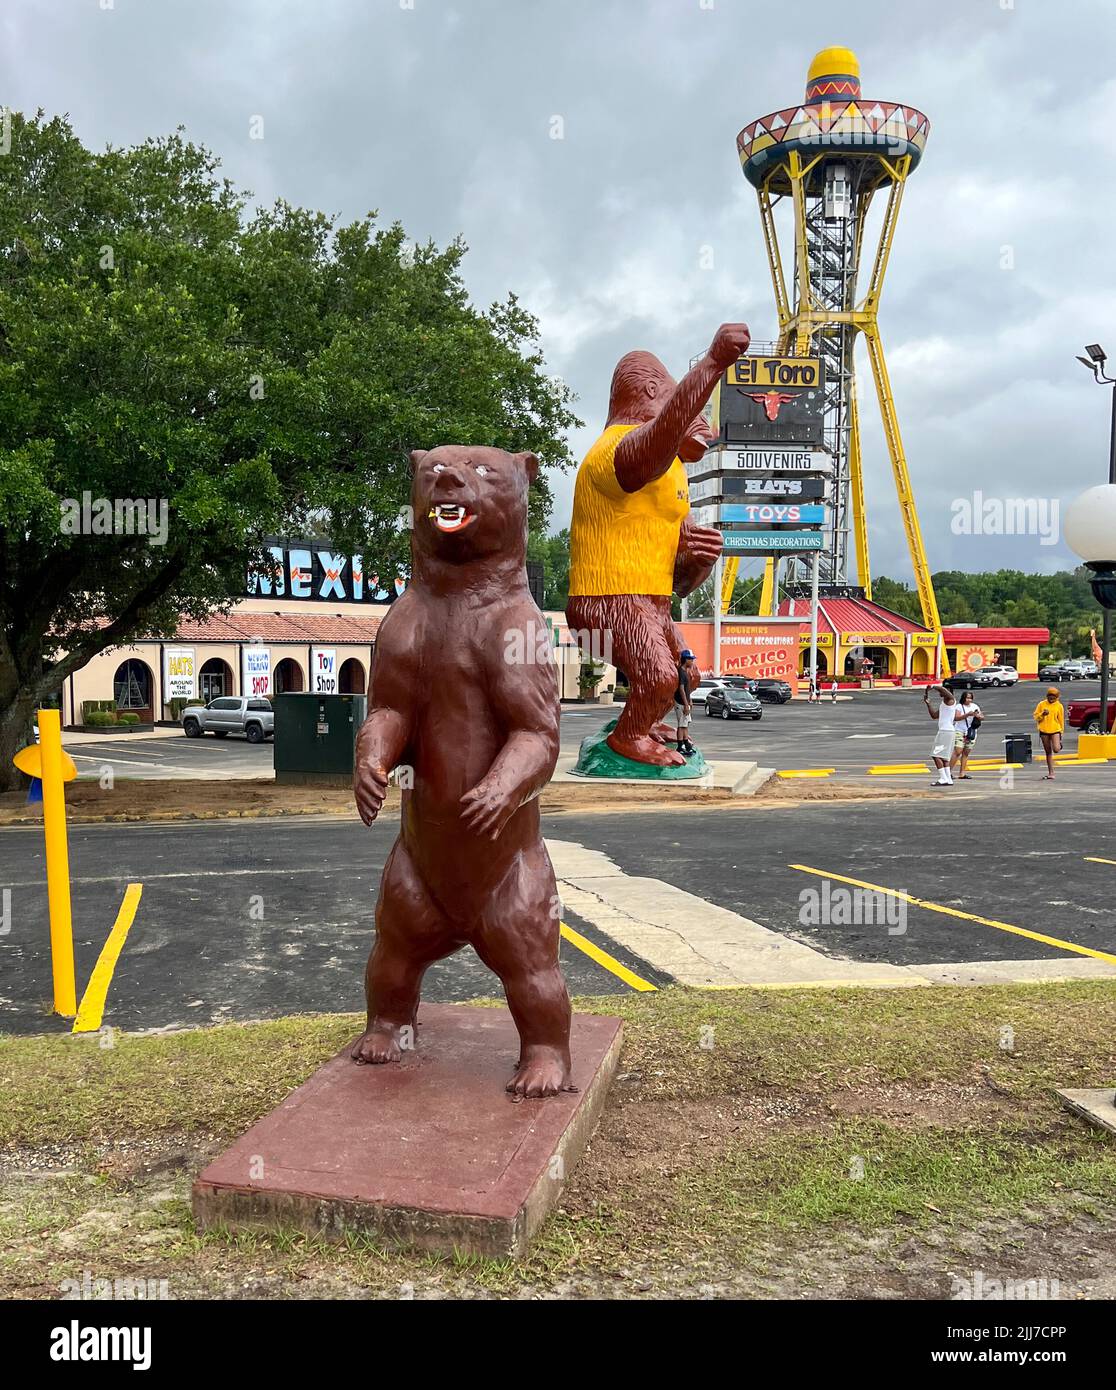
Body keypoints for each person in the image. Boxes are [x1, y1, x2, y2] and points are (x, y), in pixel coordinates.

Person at [924, 683, 958, 786]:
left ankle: (943, 778)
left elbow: (942, 690)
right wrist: (928, 704)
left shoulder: (951, 699)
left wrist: (933, 686)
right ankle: (948, 779)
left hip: (945, 731)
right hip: (946, 731)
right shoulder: (944, 704)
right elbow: (934, 716)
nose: (941, 692)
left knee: (936, 755)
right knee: (944, 758)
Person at [1034, 686, 1065, 780]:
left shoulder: (1059, 706)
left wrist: (1061, 732)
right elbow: (1036, 717)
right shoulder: (1041, 704)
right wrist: (1042, 714)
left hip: (1055, 730)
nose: (1051, 699)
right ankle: (1051, 773)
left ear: (1057, 697)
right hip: (1044, 730)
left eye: (1054, 698)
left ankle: (1059, 744)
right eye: (1050, 697)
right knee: (1048, 752)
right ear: (1047, 696)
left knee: (1056, 749)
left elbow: (1061, 720)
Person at [950, 689, 982, 780]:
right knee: (958, 751)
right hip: (960, 731)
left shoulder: (975, 706)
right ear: (963, 698)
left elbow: (982, 716)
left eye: (970, 698)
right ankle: (948, 772)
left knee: (966, 753)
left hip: (971, 732)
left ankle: (962, 773)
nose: (969, 700)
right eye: (967, 698)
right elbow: (956, 718)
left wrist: (978, 716)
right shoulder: (959, 707)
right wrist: (967, 714)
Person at [673, 649, 696, 757]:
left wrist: (690, 700)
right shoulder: (681, 672)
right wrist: (686, 704)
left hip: (685, 702)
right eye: (691, 659)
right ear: (686, 660)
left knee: (685, 724)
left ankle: (687, 745)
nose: (692, 662)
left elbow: (687, 689)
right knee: (681, 725)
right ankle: (680, 746)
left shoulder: (685, 672)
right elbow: (681, 689)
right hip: (681, 703)